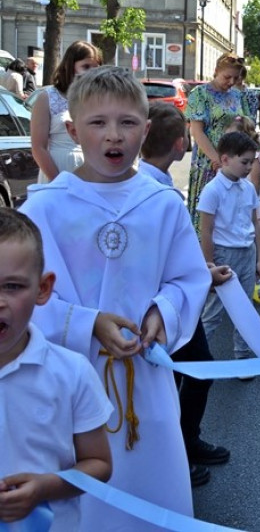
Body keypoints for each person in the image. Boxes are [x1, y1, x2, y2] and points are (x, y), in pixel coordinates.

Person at [21, 66, 210, 531]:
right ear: (72, 130)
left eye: (127, 123)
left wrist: (160, 314)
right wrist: (88, 324)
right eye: (98, 123)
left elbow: (187, 278)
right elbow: (21, 293)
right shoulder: (45, 207)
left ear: (146, 130)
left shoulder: (161, 203)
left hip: (144, 378)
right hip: (68, 381)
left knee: (151, 498)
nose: (113, 136)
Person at [0, 208, 114, 529]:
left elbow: (100, 463)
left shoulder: (71, 373)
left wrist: (44, 488)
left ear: (43, 288)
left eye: (12, 286)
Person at [139, 102, 232, 487]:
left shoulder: (156, 185)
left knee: (197, 371)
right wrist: (201, 275)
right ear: (180, 145)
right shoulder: (152, 193)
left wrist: (202, 272)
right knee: (184, 375)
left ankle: (185, 441)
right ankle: (174, 451)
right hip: (164, 306)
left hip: (177, 297)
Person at [197, 131, 260, 369]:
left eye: (251, 162)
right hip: (223, 255)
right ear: (225, 159)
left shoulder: (248, 189)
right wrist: (209, 264)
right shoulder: (212, 191)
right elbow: (206, 230)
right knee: (214, 311)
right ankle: (198, 357)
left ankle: (242, 356)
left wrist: (259, 258)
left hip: (246, 253)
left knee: (244, 307)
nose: (249, 167)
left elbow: (255, 223)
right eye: (244, 162)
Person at [184, 52, 249, 230]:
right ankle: (203, 255)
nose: (230, 82)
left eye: (235, 78)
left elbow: (244, 125)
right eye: (227, 77)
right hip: (209, 163)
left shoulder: (237, 95)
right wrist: (218, 161)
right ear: (216, 71)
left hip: (234, 162)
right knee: (207, 213)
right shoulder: (200, 94)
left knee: (230, 214)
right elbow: (196, 131)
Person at [30, 41, 102, 183]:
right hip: (57, 168)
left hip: (92, 171)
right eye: (86, 67)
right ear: (70, 66)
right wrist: (57, 181)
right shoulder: (47, 97)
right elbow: (38, 147)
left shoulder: (98, 99)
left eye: (96, 68)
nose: (91, 73)